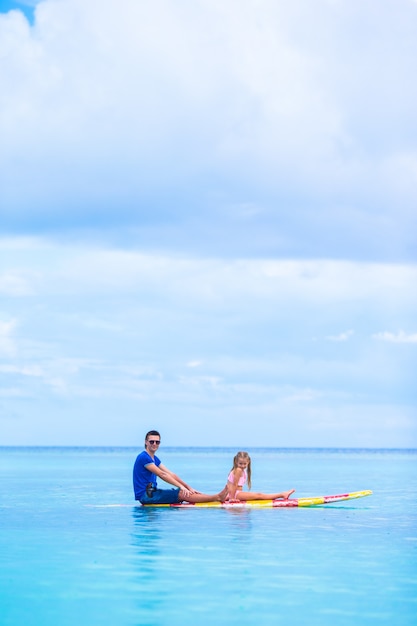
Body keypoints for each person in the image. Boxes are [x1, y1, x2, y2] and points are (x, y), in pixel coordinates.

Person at [133, 430, 228, 505]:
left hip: (153, 493)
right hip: (146, 496)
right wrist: (181, 487)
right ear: (146, 442)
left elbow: (171, 474)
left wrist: (188, 487)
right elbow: (162, 474)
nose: (154, 444)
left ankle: (216, 496)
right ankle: (217, 497)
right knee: (182, 493)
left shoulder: (154, 459)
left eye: (157, 442)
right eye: (152, 441)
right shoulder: (143, 457)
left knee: (185, 491)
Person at [226, 451, 295, 501]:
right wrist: (232, 498)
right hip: (234, 494)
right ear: (236, 462)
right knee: (259, 495)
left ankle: (282, 494)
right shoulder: (238, 470)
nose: (243, 466)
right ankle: (282, 494)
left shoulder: (242, 471)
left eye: (244, 464)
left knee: (258, 495)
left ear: (248, 462)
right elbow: (234, 484)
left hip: (235, 494)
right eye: (240, 463)